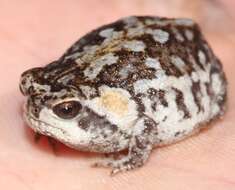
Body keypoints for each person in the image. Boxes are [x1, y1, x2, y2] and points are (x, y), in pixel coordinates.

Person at [0, 0, 234, 189]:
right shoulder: (65, 85)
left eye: (66, 110)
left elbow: (145, 125)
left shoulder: (115, 109)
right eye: (28, 89)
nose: (32, 107)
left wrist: (133, 159)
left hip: (187, 51)